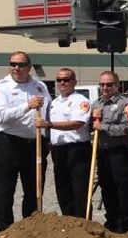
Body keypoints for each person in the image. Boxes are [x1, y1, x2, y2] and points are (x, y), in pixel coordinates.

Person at [0, 51, 51, 233]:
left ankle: (29, 228)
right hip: (8, 142)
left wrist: (47, 136)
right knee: (5, 188)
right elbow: (1, 117)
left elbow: (47, 111)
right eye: (13, 64)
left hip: (34, 143)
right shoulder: (0, 88)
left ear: (29, 67)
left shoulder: (39, 86)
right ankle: (3, 229)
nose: (17, 68)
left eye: (21, 65)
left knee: (34, 187)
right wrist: (27, 106)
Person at [38, 68, 91, 218]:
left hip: (77, 149)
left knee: (79, 189)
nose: (62, 83)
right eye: (59, 80)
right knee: (63, 188)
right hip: (58, 150)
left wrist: (49, 124)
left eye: (66, 79)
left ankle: (83, 224)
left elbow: (77, 123)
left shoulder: (80, 101)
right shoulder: (54, 103)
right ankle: (68, 222)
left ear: (74, 82)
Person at [91, 71, 128, 233]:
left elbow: (127, 128)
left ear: (117, 85)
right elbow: (91, 128)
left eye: (109, 84)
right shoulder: (96, 104)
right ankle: (112, 221)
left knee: (122, 188)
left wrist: (102, 126)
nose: (105, 87)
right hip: (102, 152)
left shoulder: (125, 104)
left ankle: (126, 223)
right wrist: (93, 121)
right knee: (106, 187)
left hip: (120, 152)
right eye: (102, 84)